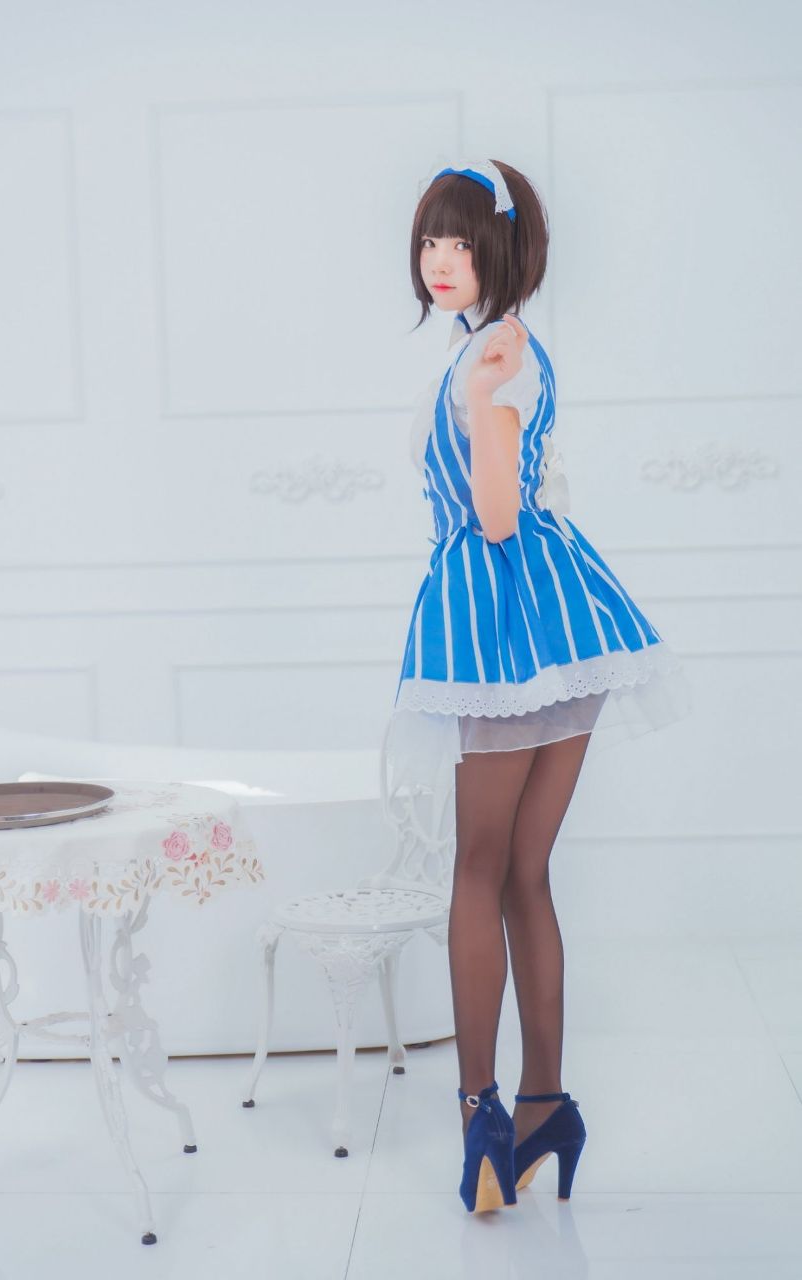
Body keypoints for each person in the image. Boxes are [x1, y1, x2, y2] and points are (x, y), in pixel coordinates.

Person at [379, 158, 693, 1214]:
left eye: (461, 243)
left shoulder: (493, 356)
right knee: (522, 871)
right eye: (430, 241)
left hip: (502, 620)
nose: (440, 261)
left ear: (502, 250)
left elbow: (497, 514)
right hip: (565, 618)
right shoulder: (500, 345)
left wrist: (481, 403)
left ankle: (480, 1114)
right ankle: (545, 1104)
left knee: (480, 867)